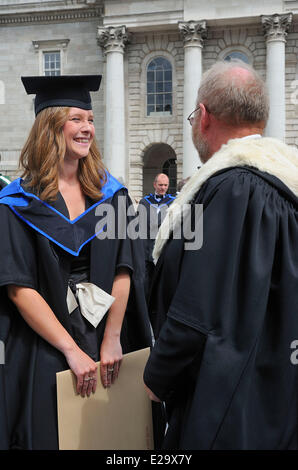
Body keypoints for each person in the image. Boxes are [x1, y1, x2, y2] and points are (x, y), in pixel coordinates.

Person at [143, 60, 298, 449]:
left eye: (194, 115)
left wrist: (158, 376)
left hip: (227, 402)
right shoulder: (281, 185)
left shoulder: (234, 190)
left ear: (205, 117)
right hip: (276, 394)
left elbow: (198, 312)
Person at [0, 75, 151, 450]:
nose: (87, 128)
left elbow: (125, 267)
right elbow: (19, 286)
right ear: (51, 126)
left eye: (90, 119)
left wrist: (113, 339)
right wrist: (70, 349)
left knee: (112, 437)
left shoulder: (112, 195)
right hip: (46, 340)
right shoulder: (16, 203)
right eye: (77, 119)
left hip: (104, 335)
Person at [138, 174, 175, 296]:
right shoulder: (144, 202)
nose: (163, 188)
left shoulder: (173, 202)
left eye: (165, 185)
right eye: (160, 185)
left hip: (163, 247)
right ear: (155, 185)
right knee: (146, 281)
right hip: (147, 247)